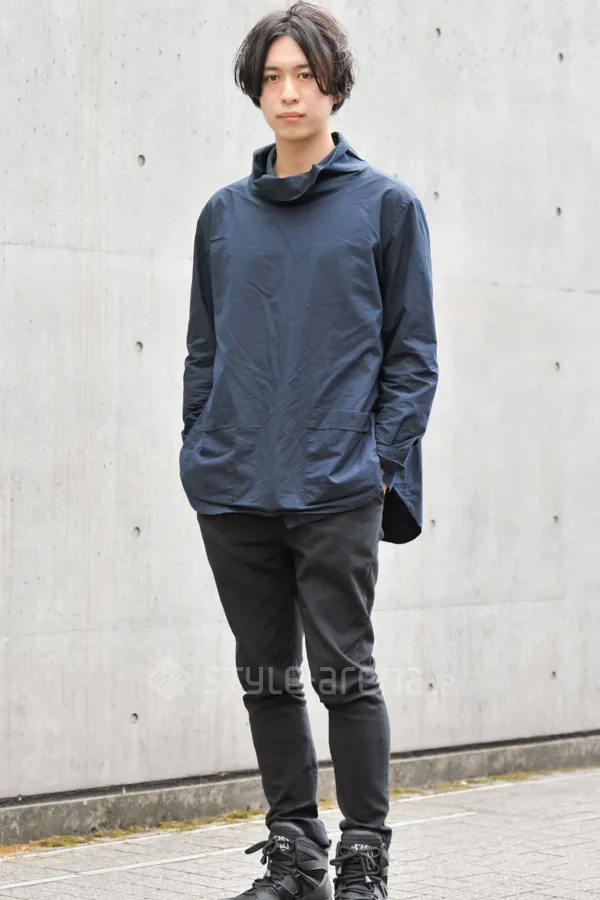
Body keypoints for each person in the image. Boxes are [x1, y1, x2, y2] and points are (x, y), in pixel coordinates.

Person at [179, 3, 438, 897]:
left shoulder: (386, 207)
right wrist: (198, 445)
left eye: (304, 75)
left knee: (345, 676)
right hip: (234, 487)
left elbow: (412, 355)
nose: (289, 93)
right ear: (256, 91)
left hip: (337, 486)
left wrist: (378, 464)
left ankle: (365, 856)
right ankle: (296, 855)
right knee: (265, 679)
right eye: (273, 78)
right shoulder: (224, 216)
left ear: (335, 86)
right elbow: (204, 348)